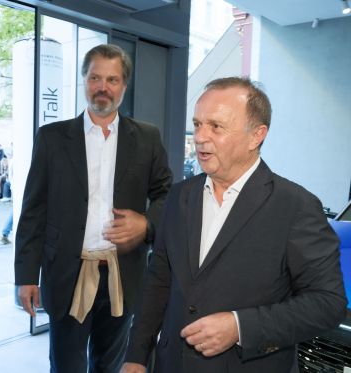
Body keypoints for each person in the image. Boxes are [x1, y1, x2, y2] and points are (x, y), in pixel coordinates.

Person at [121, 77, 347, 373]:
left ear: (256, 136)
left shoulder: (297, 207)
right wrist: (136, 355)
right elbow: (159, 280)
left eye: (216, 126)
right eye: (198, 123)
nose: (200, 137)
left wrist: (240, 327)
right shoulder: (180, 196)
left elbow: (327, 304)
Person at [15, 44, 173, 373]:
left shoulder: (146, 138)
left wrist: (146, 223)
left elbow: (166, 194)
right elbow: (34, 211)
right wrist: (26, 276)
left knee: (109, 364)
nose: (103, 87)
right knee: (66, 366)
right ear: (84, 81)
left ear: (124, 86)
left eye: (112, 79)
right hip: (66, 276)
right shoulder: (52, 138)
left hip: (122, 276)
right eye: (95, 78)